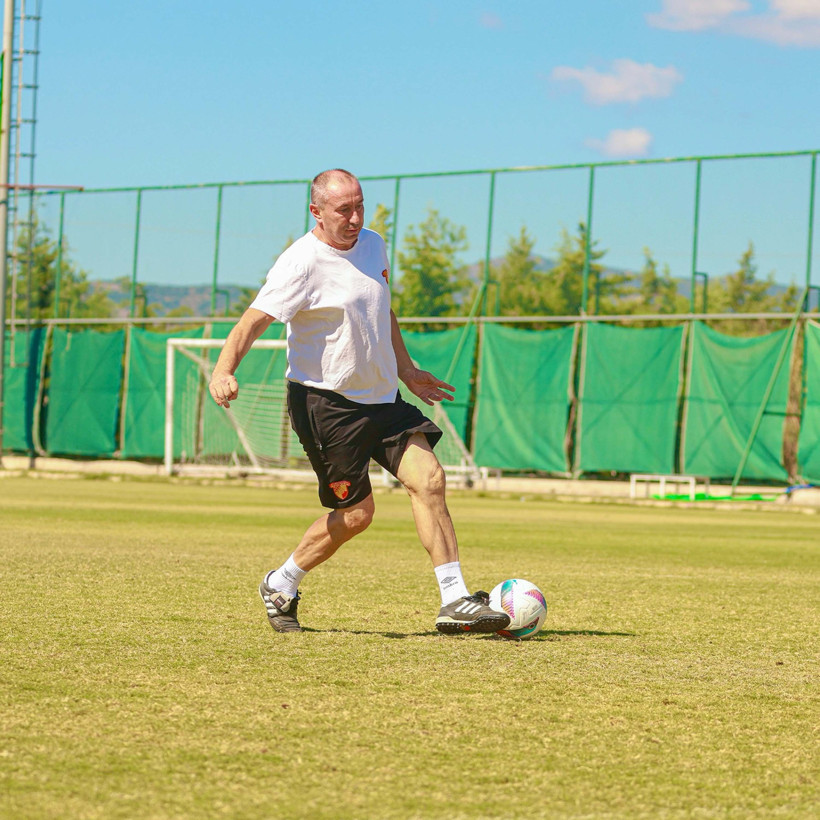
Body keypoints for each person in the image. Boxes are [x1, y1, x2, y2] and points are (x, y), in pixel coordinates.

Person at [208, 168, 509, 636]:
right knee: (356, 516)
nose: (354, 218)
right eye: (343, 209)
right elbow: (252, 322)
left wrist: (407, 371)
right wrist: (224, 370)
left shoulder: (374, 244)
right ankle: (280, 582)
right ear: (317, 212)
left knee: (430, 479)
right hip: (326, 405)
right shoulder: (300, 263)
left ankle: (455, 599)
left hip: (382, 397)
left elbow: (382, 308)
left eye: (359, 205)